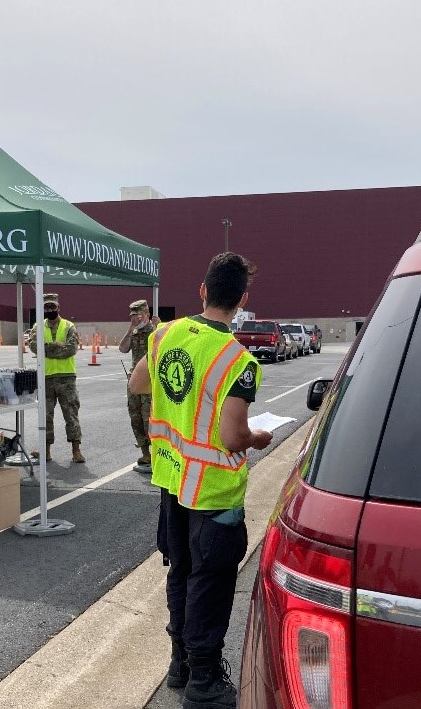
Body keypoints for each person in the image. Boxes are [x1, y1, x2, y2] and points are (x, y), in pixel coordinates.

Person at [129, 252, 273, 709]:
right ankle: (204, 681)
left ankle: (180, 664)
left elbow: (138, 385)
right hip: (213, 491)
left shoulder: (164, 334)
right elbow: (232, 437)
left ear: (202, 290)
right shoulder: (238, 361)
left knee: (182, 572)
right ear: (243, 299)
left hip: (172, 480)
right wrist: (259, 436)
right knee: (209, 584)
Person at [28, 292, 85, 463]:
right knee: (45, 416)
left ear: (58, 307)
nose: (50, 309)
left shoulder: (69, 326)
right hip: (45, 378)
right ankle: (46, 451)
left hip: (66, 377)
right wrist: (54, 346)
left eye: (52, 306)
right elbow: (33, 346)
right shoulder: (38, 326)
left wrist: (45, 348)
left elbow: (71, 349)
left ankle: (76, 450)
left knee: (71, 414)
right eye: (46, 307)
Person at [118, 299, 160, 471]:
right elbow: (122, 349)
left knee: (149, 418)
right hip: (135, 381)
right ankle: (145, 453)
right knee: (135, 416)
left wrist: (158, 328)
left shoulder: (155, 330)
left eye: (138, 315)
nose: (135, 319)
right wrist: (129, 330)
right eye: (132, 316)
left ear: (147, 315)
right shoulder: (134, 333)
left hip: (151, 382)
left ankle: (156, 454)